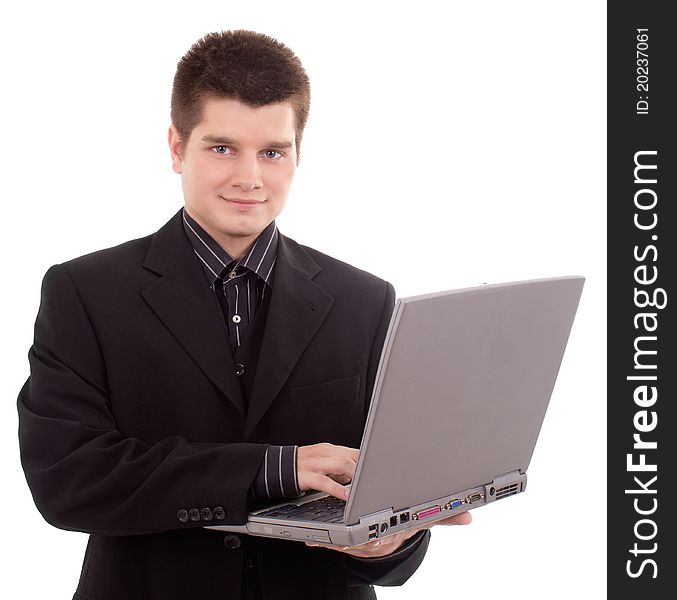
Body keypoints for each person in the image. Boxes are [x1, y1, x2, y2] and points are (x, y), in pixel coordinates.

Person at [17, 30, 470, 600]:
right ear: (177, 147)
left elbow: (384, 486)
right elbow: (69, 481)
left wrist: (390, 541)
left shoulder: (366, 300)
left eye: (273, 152)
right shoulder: (84, 292)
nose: (250, 178)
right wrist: (277, 468)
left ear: (298, 153)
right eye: (223, 148)